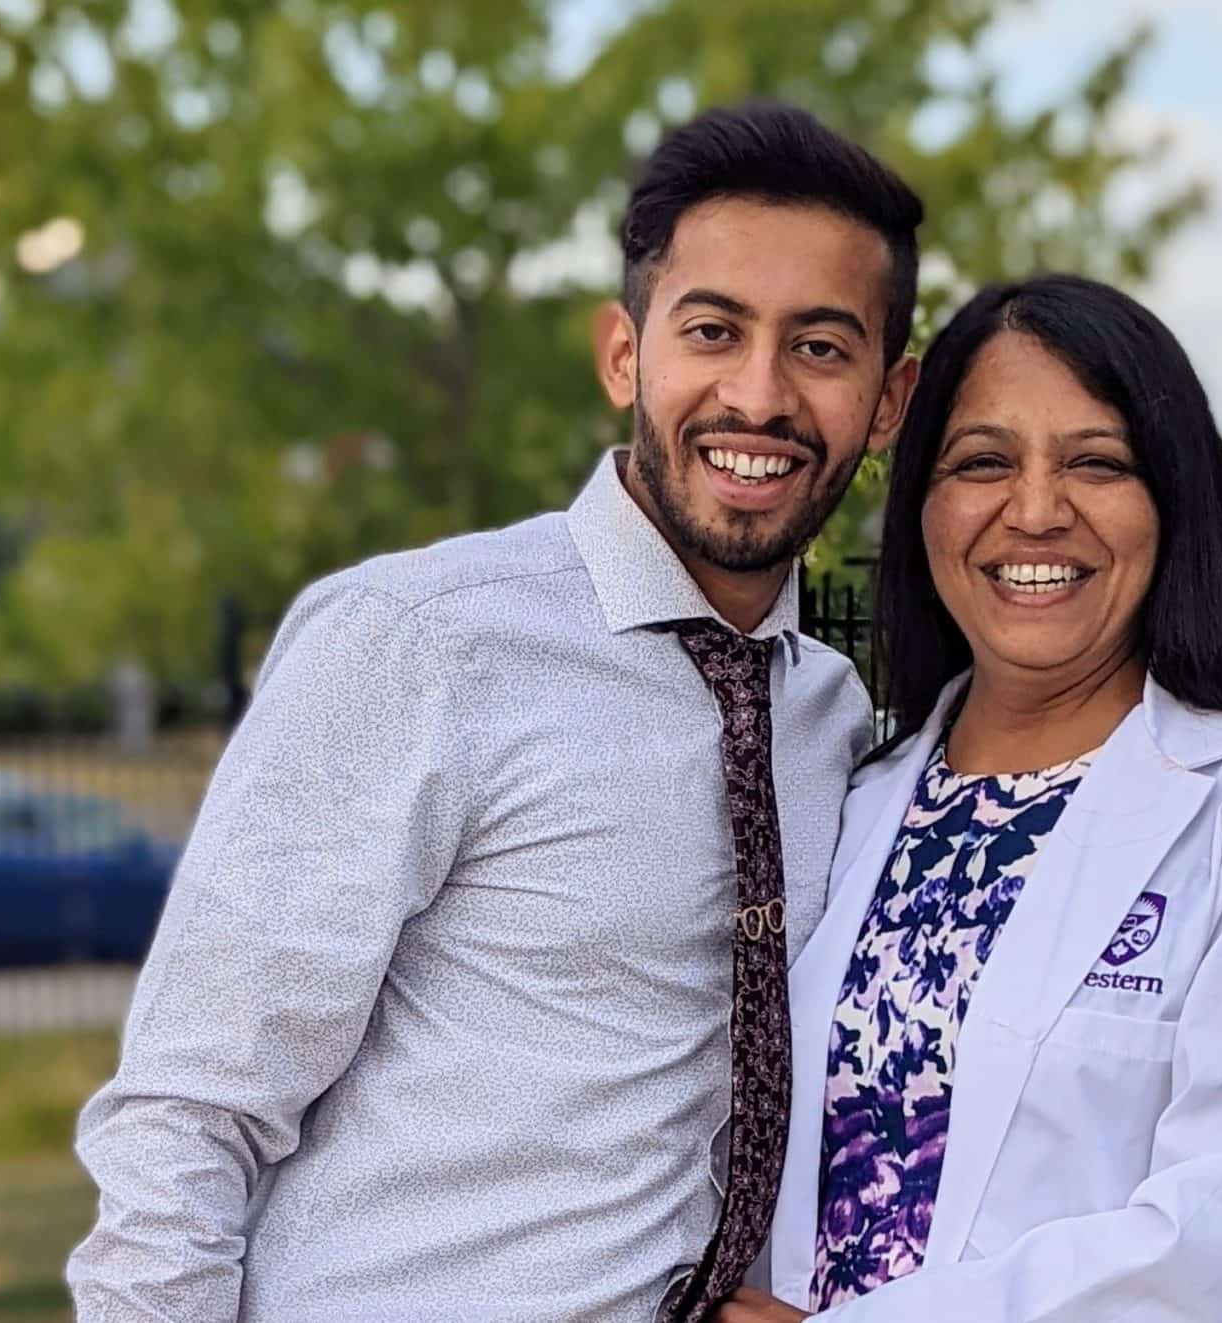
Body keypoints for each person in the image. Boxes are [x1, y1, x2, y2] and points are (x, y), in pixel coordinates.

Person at [65, 100, 925, 1323]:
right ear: (625, 355)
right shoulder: (419, 642)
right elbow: (189, 1116)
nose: (758, 394)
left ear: (886, 406)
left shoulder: (830, 719)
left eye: (820, 348)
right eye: (712, 330)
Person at [720, 276, 1222, 1323]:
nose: (1035, 511)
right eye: (982, 462)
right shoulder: (845, 802)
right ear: (922, 508)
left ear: (1170, 504)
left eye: (1096, 462)